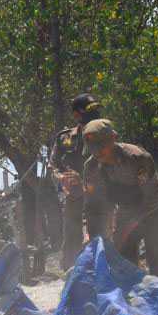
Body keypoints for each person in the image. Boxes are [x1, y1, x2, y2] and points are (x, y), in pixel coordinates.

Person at [82, 119, 158, 285]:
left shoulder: (137, 158)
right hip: (127, 209)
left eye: (101, 146)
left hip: (156, 210)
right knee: (123, 257)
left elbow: (153, 197)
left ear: (113, 139)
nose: (98, 152)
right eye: (93, 148)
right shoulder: (92, 167)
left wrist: (129, 225)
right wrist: (96, 239)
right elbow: (95, 206)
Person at [48, 93, 102, 269]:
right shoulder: (65, 138)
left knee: (100, 235)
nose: (95, 114)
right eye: (89, 111)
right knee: (71, 237)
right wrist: (61, 178)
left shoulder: (104, 133)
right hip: (74, 195)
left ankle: (102, 273)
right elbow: (53, 164)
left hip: (99, 194)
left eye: (96, 110)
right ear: (77, 115)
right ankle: (71, 274)